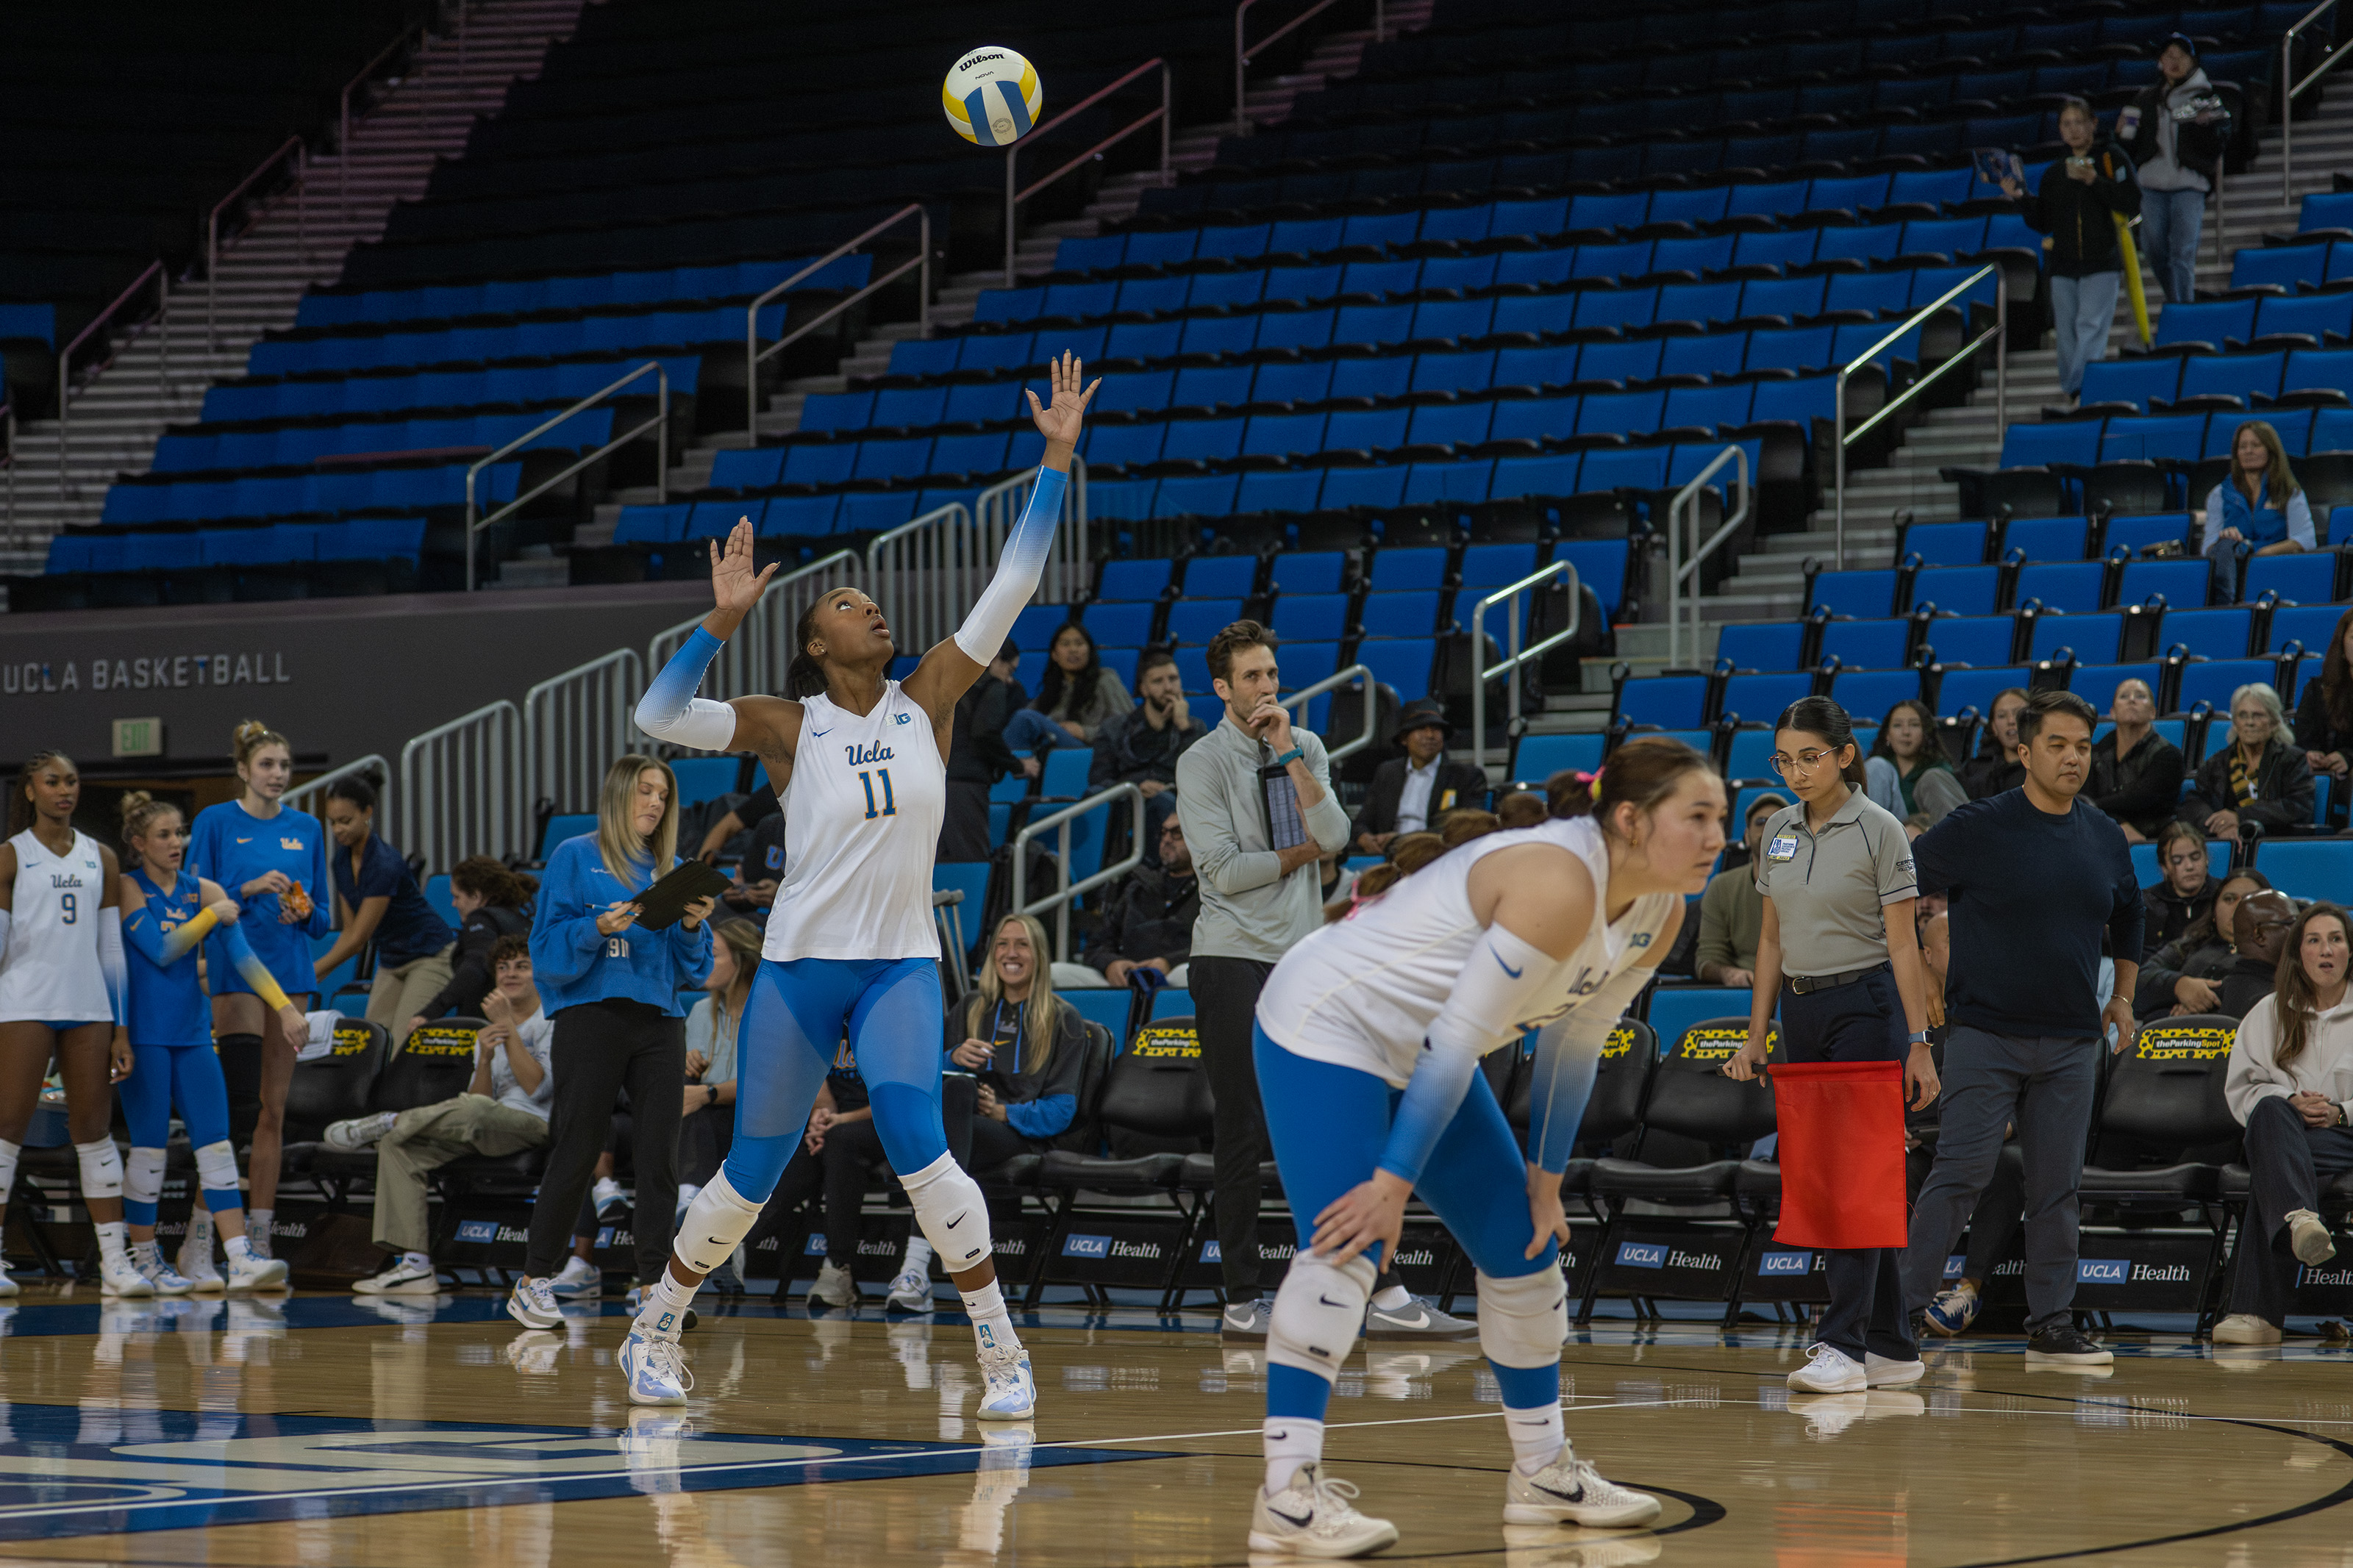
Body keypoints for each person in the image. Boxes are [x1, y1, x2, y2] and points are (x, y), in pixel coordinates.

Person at [618, 351, 1104, 1416]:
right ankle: (656, 1321)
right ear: (814, 639)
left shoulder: (926, 695)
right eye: (850, 603)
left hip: (898, 966)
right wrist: (720, 621)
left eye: (875, 602)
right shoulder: (790, 727)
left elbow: (1013, 585)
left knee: (929, 1156)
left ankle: (1001, 1349)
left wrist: (1056, 458)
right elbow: (657, 720)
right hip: (797, 972)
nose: (872, 611)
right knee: (749, 1177)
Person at [1241, 740, 1724, 1553]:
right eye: (1698, 817)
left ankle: (1542, 1474)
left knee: (1525, 1255)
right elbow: (1455, 1047)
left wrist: (1545, 1180)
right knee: (1346, 1252)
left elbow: (1576, 1045)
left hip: (1429, 1051)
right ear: (1632, 820)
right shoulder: (1556, 881)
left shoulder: (1660, 911)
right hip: (1329, 1024)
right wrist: (1391, 1185)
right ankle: (1285, 1495)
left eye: (1720, 818)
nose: (1717, 837)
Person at [1897, 689, 2142, 1367]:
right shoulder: (1979, 826)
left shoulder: (2101, 833)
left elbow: (2130, 915)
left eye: (2084, 746)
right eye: (2059, 744)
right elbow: (1901, 884)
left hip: (2072, 1040)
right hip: (1986, 1033)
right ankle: (1901, 1315)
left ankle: (2053, 1323)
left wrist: (2122, 994)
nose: (2073, 757)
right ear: (2025, 752)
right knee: (1960, 1174)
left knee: (2057, 1185)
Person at [1728, 698, 1937, 1395]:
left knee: (1854, 1174)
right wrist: (1758, 1033)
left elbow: (1905, 943)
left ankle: (1841, 1343)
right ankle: (1892, 1346)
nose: (1796, 771)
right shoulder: (1779, 830)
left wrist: (1918, 1040)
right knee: (1827, 1173)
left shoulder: (1881, 831)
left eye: (1809, 756)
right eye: (1783, 759)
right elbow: (1770, 938)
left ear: (1845, 754)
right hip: (1801, 1007)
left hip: (1867, 1004)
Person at [1175, 619, 1357, 1341]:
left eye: (1272, 675)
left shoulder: (1302, 745)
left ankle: (1344, 1281)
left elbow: (1336, 836)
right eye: (1251, 678)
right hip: (1227, 957)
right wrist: (1296, 856)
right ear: (1221, 688)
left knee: (1319, 1121)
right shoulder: (1201, 761)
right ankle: (1241, 1295)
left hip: (1299, 957)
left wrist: (1285, 752)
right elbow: (1223, 870)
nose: (1266, 689)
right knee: (1240, 1127)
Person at [508, 753, 715, 1333]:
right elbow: (545, 950)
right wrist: (595, 928)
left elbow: (691, 970)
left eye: (663, 796)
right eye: (645, 791)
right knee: (577, 1146)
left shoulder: (666, 869)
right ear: (620, 795)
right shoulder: (575, 854)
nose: (655, 803)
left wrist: (694, 924)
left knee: (659, 1155)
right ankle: (533, 1280)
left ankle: (655, 1287)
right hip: (591, 1015)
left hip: (659, 1019)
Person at [113, 792, 297, 1296]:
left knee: (216, 1146)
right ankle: (146, 1259)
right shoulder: (129, 887)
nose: (176, 843)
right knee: (149, 1152)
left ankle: (239, 1257)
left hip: (194, 1036)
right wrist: (214, 914)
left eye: (181, 833)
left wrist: (283, 1006)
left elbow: (243, 958)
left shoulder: (204, 890)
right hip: (145, 1036)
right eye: (164, 835)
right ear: (139, 843)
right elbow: (164, 949)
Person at [896, 913, 1098, 1311]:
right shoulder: (972, 1007)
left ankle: (915, 1264)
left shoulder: (1064, 1019)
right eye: (1002, 944)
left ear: (1038, 954)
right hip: (964, 1127)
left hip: (1023, 1137)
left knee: (946, 1133)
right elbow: (923, 1076)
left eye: (1022, 944)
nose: (1011, 953)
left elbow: (1063, 1109)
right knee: (956, 1091)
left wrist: (1006, 1113)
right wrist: (952, 1056)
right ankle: (911, 1266)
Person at [332, 935, 556, 1295]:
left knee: (470, 1111)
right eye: (502, 967)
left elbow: (539, 1089)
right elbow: (476, 1100)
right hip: (483, 1123)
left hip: (535, 1124)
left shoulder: (554, 1020)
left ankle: (394, 1118)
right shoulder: (487, 1031)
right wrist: (483, 1058)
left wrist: (510, 1031)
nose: (510, 974)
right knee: (397, 1145)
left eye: (521, 966)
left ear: (539, 974)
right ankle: (415, 1266)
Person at [187, 720, 331, 1261]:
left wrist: (306, 908)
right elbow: (196, 899)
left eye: (285, 766)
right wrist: (245, 889)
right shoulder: (215, 821)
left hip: (293, 972)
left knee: (274, 1109)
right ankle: (202, 1239)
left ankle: (262, 1236)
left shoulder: (308, 828)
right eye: (267, 765)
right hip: (236, 968)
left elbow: (322, 921)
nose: (277, 775)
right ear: (244, 770)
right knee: (239, 1109)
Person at [0, 756, 132, 1297]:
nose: (64, 790)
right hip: (24, 1000)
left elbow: (112, 947)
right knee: (7, 1126)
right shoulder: (10, 856)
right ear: (30, 790)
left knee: (94, 1129)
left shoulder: (101, 856)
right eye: (52, 781)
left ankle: (116, 1263)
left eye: (71, 781)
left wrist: (121, 1028)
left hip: (89, 1005)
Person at [2215, 902, 2353, 1345]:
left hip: (2346, 1135)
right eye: (2314, 940)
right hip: (2286, 1132)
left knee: (2272, 1164)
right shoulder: (2268, 1012)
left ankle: (2256, 1314)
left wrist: (2341, 1111)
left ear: (2350, 950)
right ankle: (2301, 1219)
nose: (2325, 950)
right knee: (2271, 1111)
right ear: (2299, 953)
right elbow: (2243, 1089)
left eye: (2335, 939)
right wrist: (2291, 1101)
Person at [2001, 96, 2142, 401]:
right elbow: (2043, 221)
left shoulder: (2111, 158)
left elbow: (2131, 201)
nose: (2074, 130)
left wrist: (2095, 181)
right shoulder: (2055, 173)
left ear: (2093, 124)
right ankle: (2073, 391)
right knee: (2066, 335)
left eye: (2079, 122)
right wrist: (2021, 198)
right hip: (2063, 265)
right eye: (2067, 124)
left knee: (2090, 325)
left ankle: (2082, 389)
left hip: (2102, 261)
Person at [315, 776, 454, 1048]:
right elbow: (349, 932)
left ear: (367, 813)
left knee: (403, 1045)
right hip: (392, 960)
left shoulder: (384, 863)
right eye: (332, 822)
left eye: (345, 821)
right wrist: (318, 972)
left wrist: (313, 971)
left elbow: (360, 938)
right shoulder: (341, 861)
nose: (337, 830)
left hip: (430, 955)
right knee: (372, 1046)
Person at [2119, 33, 2231, 310]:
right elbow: (2127, 141)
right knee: (2154, 248)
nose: (2174, 62)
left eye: (2180, 56)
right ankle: (2178, 302)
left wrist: (2205, 127)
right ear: (2160, 62)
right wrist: (2122, 130)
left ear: (2192, 61)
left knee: (2182, 252)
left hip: (2189, 185)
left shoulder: (2205, 98)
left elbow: (2221, 141)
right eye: (2168, 56)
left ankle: (2185, 311)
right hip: (2151, 184)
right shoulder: (2145, 98)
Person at [677, 917, 758, 1200]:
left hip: (749, 1117)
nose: (703, 962)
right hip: (702, 1116)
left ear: (743, 961)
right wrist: (687, 1062)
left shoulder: (768, 1013)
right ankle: (684, 1192)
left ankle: (689, 1191)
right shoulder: (700, 1010)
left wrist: (708, 1093)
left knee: (700, 1111)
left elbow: (764, 1085)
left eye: (714, 954)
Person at [409, 856, 538, 1028]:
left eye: (457, 897)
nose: (454, 904)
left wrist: (431, 1012)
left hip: (486, 1024)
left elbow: (475, 965)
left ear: (476, 896)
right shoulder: (524, 922)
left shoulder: (481, 918)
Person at [1071, 815, 1198, 988]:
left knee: (1185, 973)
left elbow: (1221, 948)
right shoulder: (1137, 887)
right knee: (1057, 974)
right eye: (1163, 833)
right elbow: (1097, 943)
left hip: (1176, 975)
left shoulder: (1210, 891)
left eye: (1177, 834)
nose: (1167, 840)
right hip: (1128, 976)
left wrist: (1168, 962)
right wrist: (1111, 964)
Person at [2179, 681, 2315, 839]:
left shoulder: (2293, 760)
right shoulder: (2216, 764)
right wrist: (2220, 827)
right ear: (2235, 724)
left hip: (2272, 842)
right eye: (2242, 715)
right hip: (2225, 841)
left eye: (2258, 715)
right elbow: (2193, 804)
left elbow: (2298, 807)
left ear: (2274, 722)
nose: (2249, 722)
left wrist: (2240, 816)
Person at [2199, 421, 2316, 602]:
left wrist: (2265, 553)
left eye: (2256, 445)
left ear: (2270, 451)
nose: (2248, 451)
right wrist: (2224, 537)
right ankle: (2228, 606)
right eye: (2242, 447)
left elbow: (2306, 540)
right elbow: (2207, 547)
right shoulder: (2219, 494)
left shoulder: (2289, 491)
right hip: (2234, 568)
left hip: (2277, 566)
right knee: (2225, 547)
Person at [1352, 704, 1490, 854]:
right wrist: (1363, 837)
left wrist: (1401, 840)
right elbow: (1362, 821)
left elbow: (1466, 827)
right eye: (1421, 729)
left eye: (1436, 729)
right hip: (1388, 856)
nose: (1430, 736)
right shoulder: (1387, 772)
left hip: (1437, 854)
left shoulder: (1466, 776)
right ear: (1404, 738)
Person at [2137, 869, 2271, 1020]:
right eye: (2229, 899)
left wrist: (2200, 1005)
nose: (2238, 907)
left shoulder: (2275, 953)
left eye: (2249, 900)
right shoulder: (2189, 945)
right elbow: (2140, 982)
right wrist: (2179, 986)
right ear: (2214, 911)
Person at [1090, 647, 1207, 811]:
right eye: (1158, 681)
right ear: (1144, 689)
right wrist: (1136, 787)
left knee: (1162, 800)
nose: (1168, 687)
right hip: (1123, 804)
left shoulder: (1194, 728)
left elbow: (1202, 779)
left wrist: (1183, 726)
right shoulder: (1114, 728)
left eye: (1173, 679)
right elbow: (1099, 779)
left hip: (1174, 804)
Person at [943, 638, 1027, 862]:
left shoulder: (953, 683)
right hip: (966, 784)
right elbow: (985, 733)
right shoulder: (993, 686)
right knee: (973, 860)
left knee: (941, 862)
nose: (1009, 680)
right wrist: (1018, 765)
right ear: (997, 658)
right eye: (1010, 670)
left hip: (937, 779)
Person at [1693, 792, 1790, 987]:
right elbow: (1707, 958)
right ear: (1746, 837)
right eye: (1761, 821)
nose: (1770, 827)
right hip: (1745, 990)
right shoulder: (1722, 887)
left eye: (1779, 822)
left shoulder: (1813, 884)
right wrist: (1727, 973)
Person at [2089, 678, 2185, 843]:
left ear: (2153, 712)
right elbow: (2083, 799)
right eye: (2124, 696)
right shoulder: (2095, 754)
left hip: (2154, 839)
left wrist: (2094, 807)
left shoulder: (2169, 756)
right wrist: (2118, 823)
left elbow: (2141, 799)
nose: (2132, 700)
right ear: (2112, 712)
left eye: (2140, 696)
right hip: (2099, 834)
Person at [1026, 621, 1132, 746]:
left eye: (1079, 644)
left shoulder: (1105, 680)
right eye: (1065, 644)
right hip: (1050, 753)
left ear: (1089, 651)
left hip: (1088, 751)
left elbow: (1128, 726)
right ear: (1054, 655)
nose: (1073, 650)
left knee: (1024, 718)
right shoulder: (1053, 689)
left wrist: (1085, 732)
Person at [1864, 699, 1965, 827]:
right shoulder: (1879, 771)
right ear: (1887, 735)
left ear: (1925, 733)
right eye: (1897, 725)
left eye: (1914, 725)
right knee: (1877, 766)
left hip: (1925, 838)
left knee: (1932, 777)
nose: (1906, 732)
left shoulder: (1939, 770)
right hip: (1885, 837)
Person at [2293, 606, 2353, 791]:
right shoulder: (2317, 689)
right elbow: (2302, 738)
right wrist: (2311, 754)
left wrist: (2348, 758)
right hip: (2324, 777)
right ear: (2342, 647)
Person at [2220, 889, 2299, 1021]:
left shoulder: (2228, 987)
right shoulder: (2268, 1002)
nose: (2301, 931)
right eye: (2292, 923)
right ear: (2260, 936)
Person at [2141, 820, 2218, 956]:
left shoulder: (2223, 896)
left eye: (2195, 857)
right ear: (2164, 867)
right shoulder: (2147, 905)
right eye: (2178, 860)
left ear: (2206, 858)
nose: (2189, 866)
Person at [1959, 688, 2029, 801]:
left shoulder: (2044, 768)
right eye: (2002, 716)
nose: (2011, 721)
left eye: (2018, 713)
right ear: (1994, 727)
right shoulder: (1975, 769)